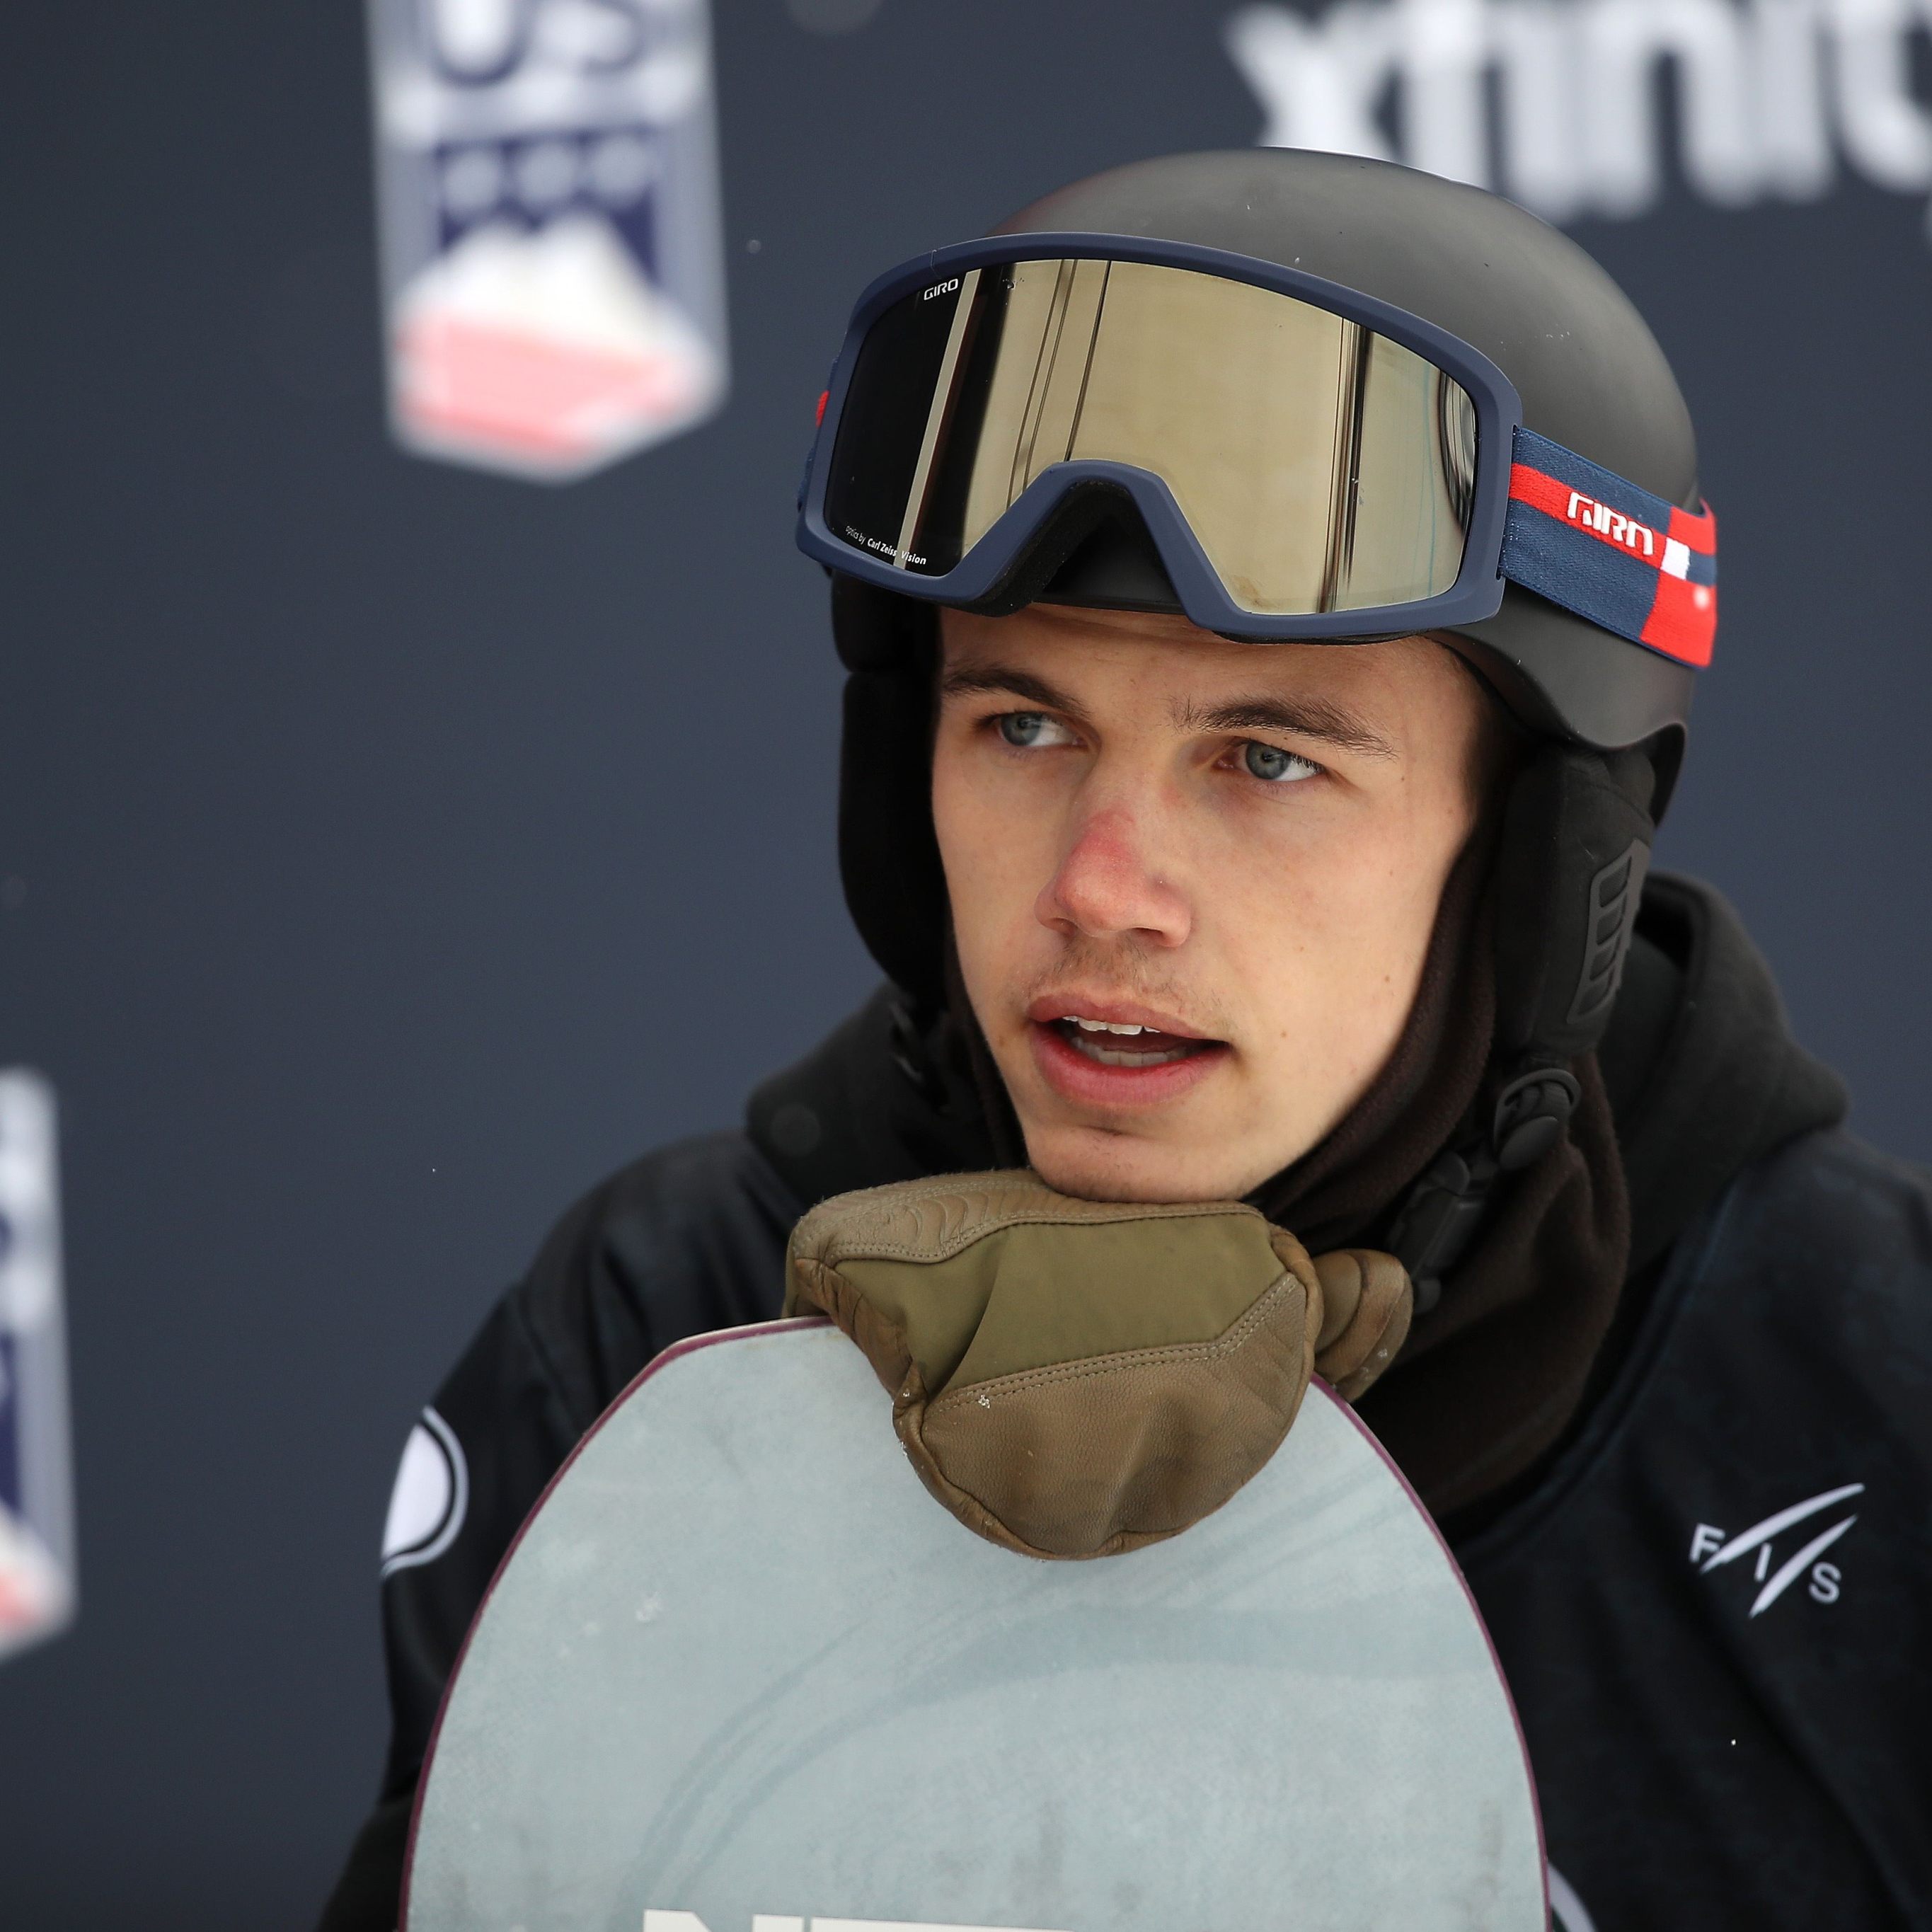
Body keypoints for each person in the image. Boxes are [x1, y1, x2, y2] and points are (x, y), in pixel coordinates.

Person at [318, 151, 1931, 1931]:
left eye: (1266, 759)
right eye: (1021, 724)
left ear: (1548, 866)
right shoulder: (659, 1343)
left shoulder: (1876, 1392)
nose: (1104, 890)